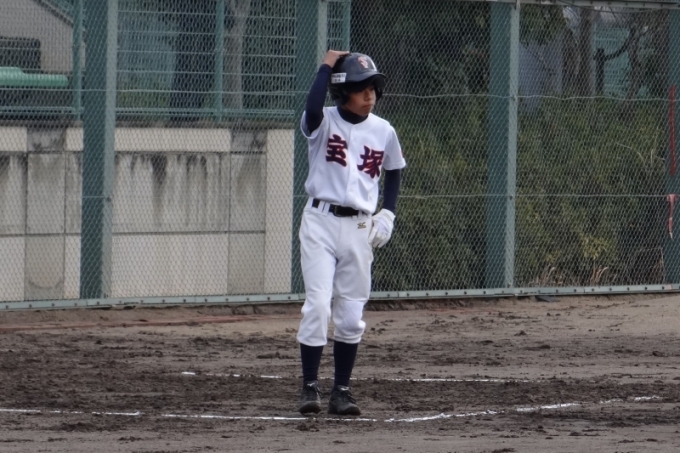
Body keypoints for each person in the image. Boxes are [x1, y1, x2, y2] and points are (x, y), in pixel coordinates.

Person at [296, 50, 406, 416]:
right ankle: (309, 387)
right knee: (317, 304)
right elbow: (312, 109)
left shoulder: (383, 130)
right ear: (342, 91)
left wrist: (387, 213)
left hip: (360, 226)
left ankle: (341, 391)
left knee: (351, 312)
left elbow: (394, 169)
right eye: (361, 88)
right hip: (320, 222)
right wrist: (326, 67)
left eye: (373, 87)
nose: (369, 95)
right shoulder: (323, 121)